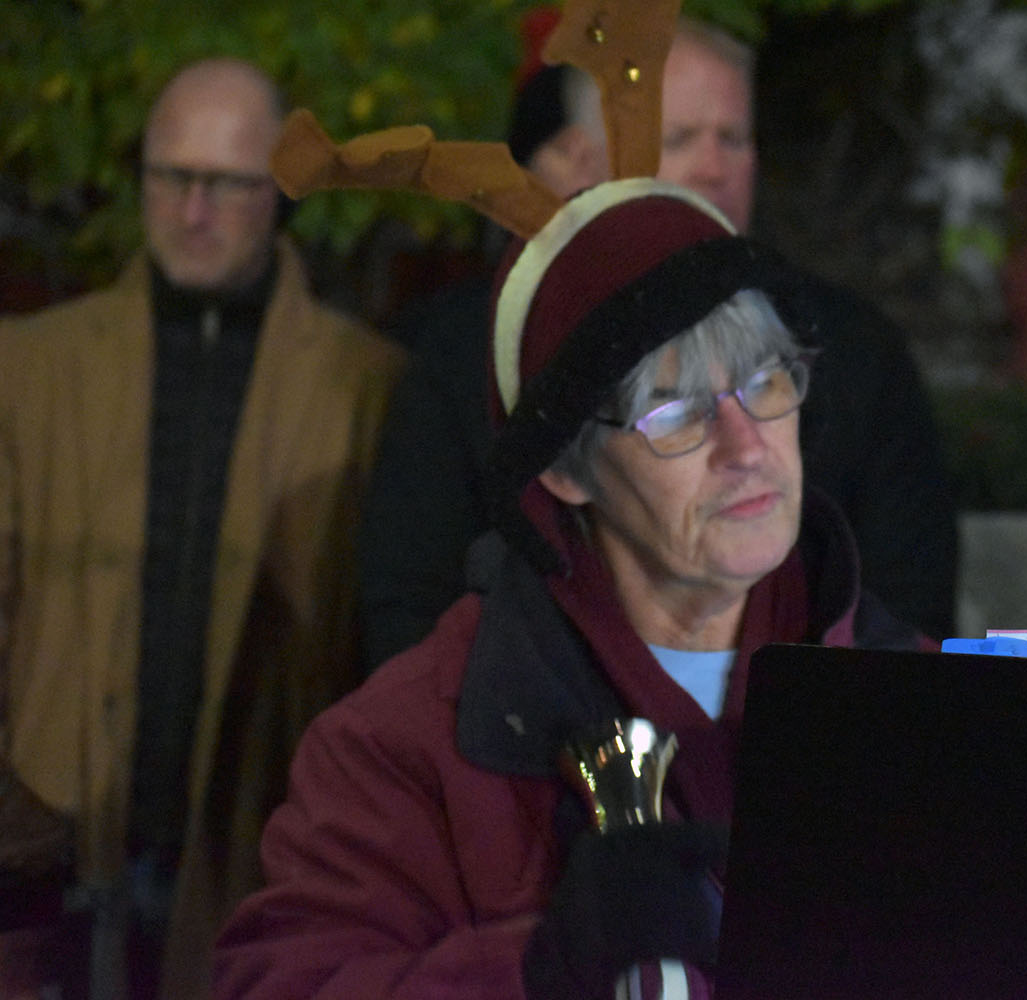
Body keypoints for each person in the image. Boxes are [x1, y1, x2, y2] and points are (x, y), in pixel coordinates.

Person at [215, 171, 931, 999]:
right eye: (676, 411)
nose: (746, 446)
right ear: (562, 468)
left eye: (766, 381)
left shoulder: (909, 695)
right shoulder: (411, 747)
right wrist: (536, 968)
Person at [357, 17, 958, 671]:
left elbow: (910, 599)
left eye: (733, 137)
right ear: (580, 162)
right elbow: (407, 602)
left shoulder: (854, 347)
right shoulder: (467, 349)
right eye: (679, 138)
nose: (714, 166)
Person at [0, 58, 406, 999]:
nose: (192, 210)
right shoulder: (33, 371)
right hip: (53, 856)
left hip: (261, 860)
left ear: (280, 194)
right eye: (170, 177)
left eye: (225, 183)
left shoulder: (366, 387)